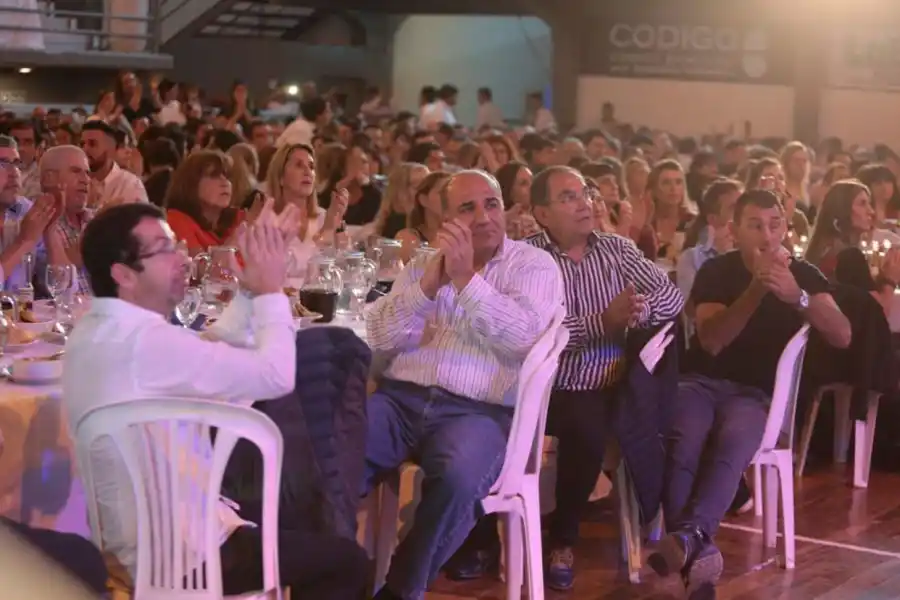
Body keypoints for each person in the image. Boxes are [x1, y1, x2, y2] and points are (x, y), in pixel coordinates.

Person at [64, 202, 368, 598]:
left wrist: (246, 293)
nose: (182, 258)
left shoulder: (95, 333)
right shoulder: (147, 344)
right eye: (163, 249)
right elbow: (276, 376)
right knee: (347, 563)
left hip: (134, 544)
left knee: (306, 514)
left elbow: (206, 355)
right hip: (189, 555)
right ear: (123, 274)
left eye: (176, 244)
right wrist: (270, 293)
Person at [364, 169, 563, 599]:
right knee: (334, 448)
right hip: (401, 401)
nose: (483, 217)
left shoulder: (533, 265)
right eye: (467, 208)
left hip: (478, 413)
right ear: (446, 222)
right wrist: (429, 286)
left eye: (491, 204)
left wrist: (466, 282)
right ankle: (330, 578)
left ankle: (400, 591)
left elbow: (524, 338)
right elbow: (378, 336)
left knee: (458, 478)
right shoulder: (422, 264)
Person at [649, 190, 852, 599]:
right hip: (700, 383)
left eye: (774, 224)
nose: (767, 234)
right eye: (755, 225)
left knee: (734, 440)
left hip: (757, 395)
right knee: (683, 437)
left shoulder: (804, 274)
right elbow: (711, 341)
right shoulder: (715, 272)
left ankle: (690, 541)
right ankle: (697, 552)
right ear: (734, 230)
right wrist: (757, 290)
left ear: (785, 228)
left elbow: (843, 334)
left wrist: (797, 296)